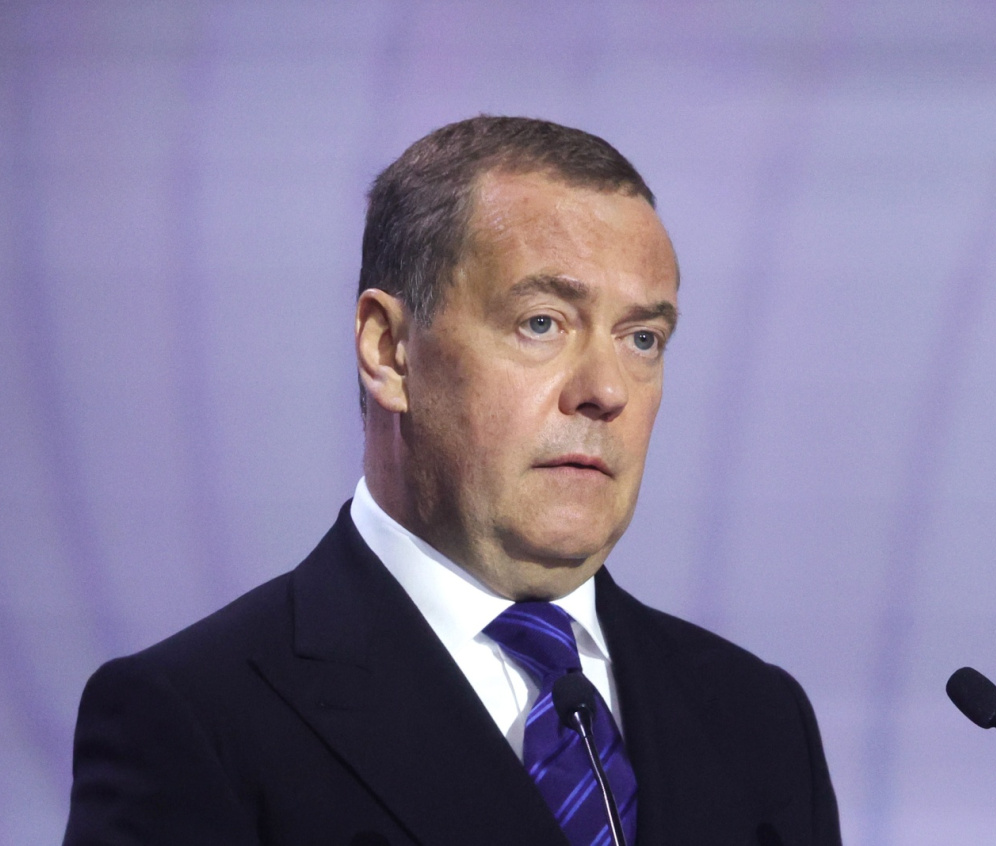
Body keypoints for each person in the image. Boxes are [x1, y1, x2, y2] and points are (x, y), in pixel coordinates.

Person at [63, 116, 841, 846]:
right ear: (389, 350)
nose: (606, 390)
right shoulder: (195, 720)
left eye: (642, 338)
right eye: (542, 323)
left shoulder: (759, 720)